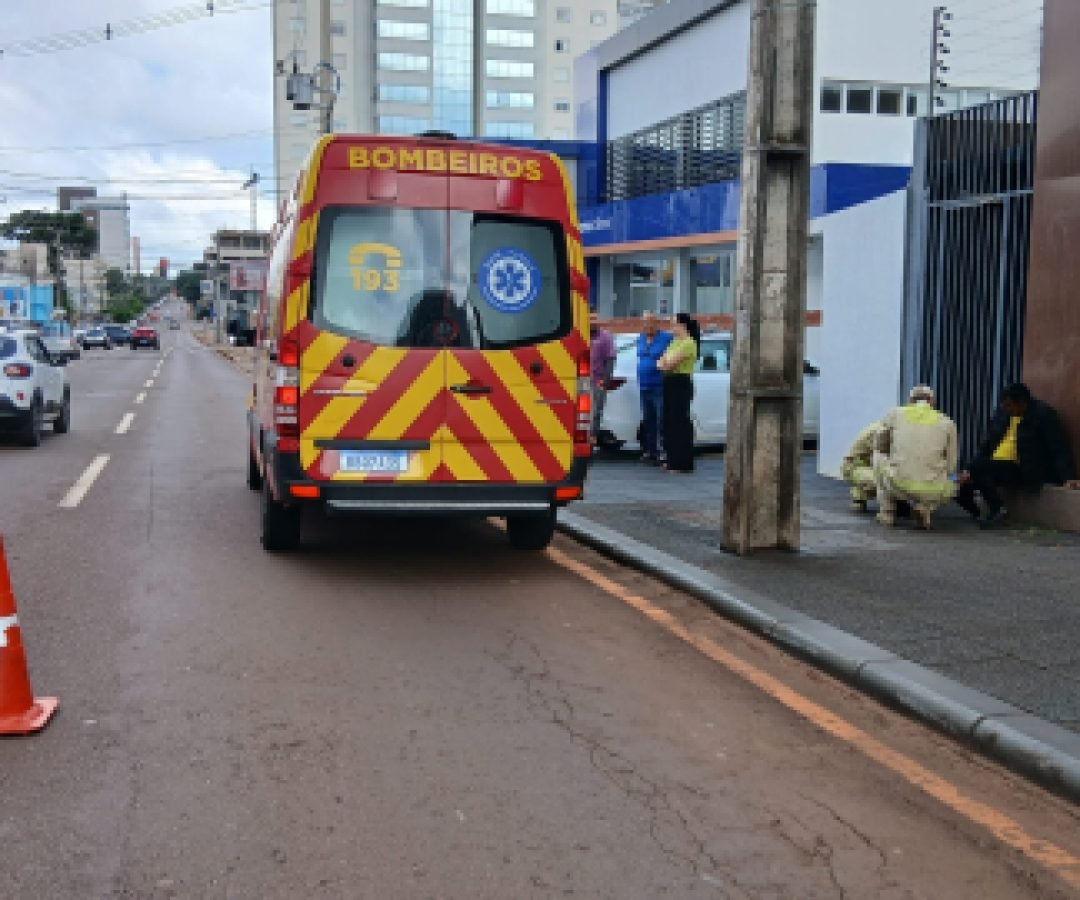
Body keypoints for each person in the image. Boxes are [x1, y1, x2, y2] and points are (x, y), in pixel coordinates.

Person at [956, 382, 1079, 527]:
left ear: (1022, 403)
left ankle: (998, 509)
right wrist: (967, 471)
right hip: (994, 466)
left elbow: (1058, 447)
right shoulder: (1003, 414)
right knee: (957, 486)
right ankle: (979, 514)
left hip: (1022, 468)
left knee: (978, 467)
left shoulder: (1043, 415)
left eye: (1009, 405)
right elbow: (987, 444)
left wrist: (1067, 477)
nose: (1005, 408)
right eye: (1003, 405)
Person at [875, 385, 958, 530]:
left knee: (878, 455)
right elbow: (951, 463)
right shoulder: (947, 422)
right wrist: (947, 476)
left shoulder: (895, 414)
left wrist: (890, 454)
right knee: (952, 482)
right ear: (931, 401)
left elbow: (880, 443)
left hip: (898, 483)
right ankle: (925, 507)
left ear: (910, 400)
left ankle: (887, 513)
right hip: (933, 488)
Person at [657, 312, 700, 473]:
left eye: (673, 324)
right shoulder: (675, 342)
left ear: (682, 325)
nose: (671, 327)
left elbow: (668, 364)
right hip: (669, 383)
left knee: (679, 422)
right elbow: (661, 361)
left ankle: (682, 463)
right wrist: (663, 363)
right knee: (668, 422)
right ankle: (672, 459)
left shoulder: (689, 343)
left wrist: (664, 363)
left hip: (680, 383)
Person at [636, 311, 672, 464]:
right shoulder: (641, 338)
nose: (646, 325)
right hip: (644, 386)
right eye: (644, 322)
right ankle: (650, 451)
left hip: (660, 386)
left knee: (661, 420)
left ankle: (664, 451)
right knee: (648, 420)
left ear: (657, 323)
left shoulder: (667, 338)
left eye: (650, 322)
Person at [842, 421, 883, 512]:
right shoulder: (879, 432)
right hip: (855, 466)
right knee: (881, 481)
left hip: (869, 463)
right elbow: (880, 457)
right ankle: (859, 495)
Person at [589, 311, 616, 451]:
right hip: (579, 382)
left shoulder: (605, 337)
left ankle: (592, 440)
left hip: (597, 381)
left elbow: (610, 359)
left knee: (596, 412)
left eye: (595, 318)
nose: (592, 321)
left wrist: (605, 381)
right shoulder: (579, 334)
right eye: (590, 318)